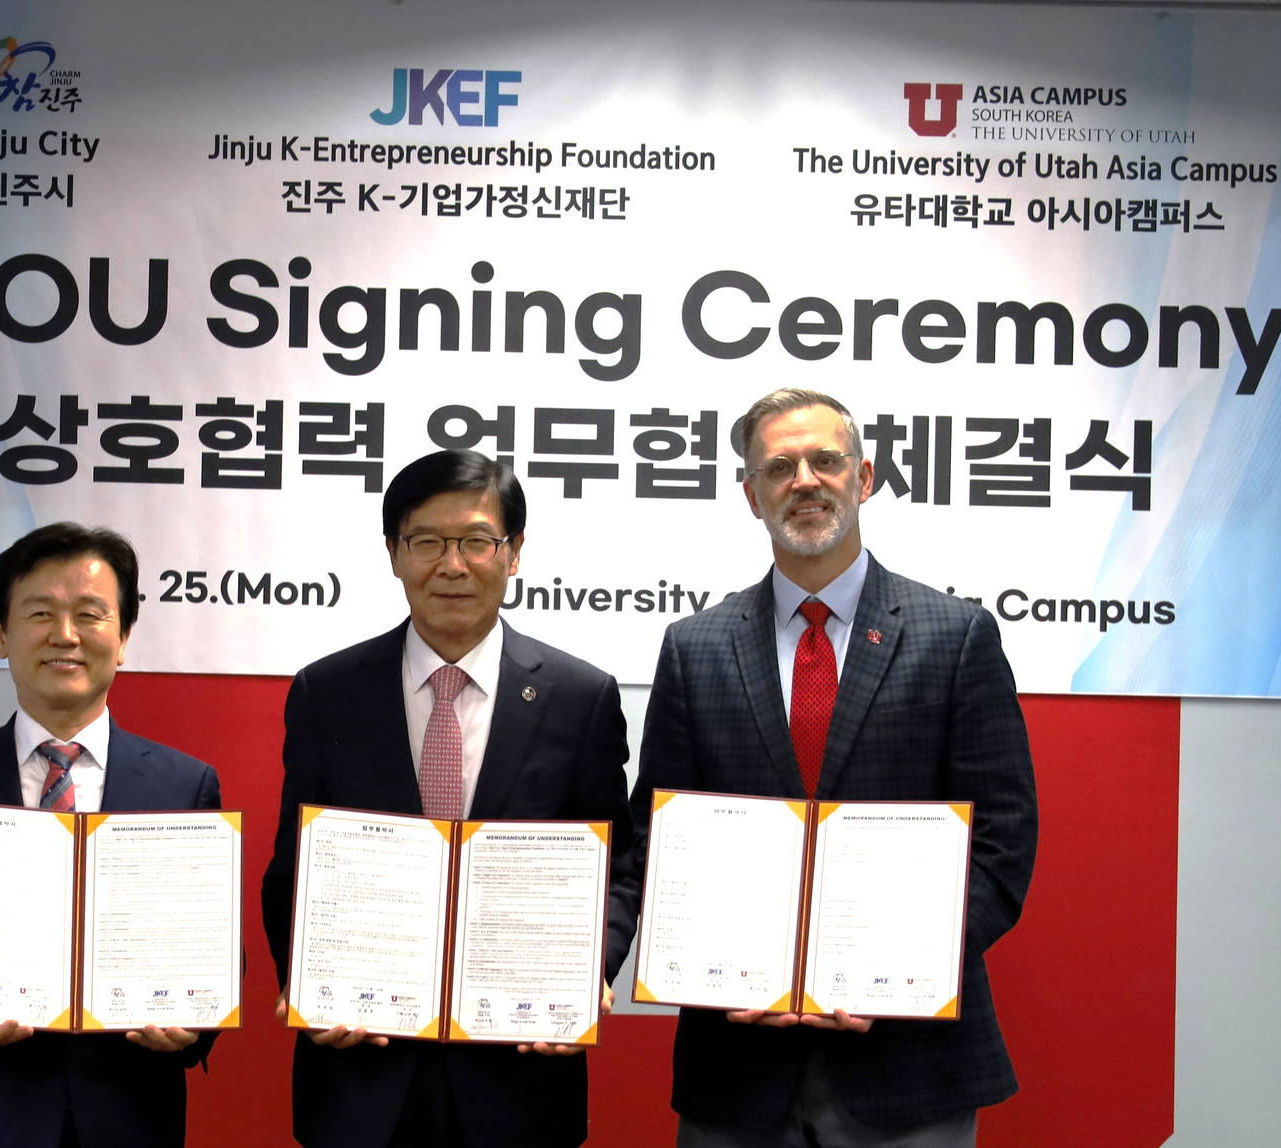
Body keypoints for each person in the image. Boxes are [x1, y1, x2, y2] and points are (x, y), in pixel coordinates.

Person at [631, 388, 1038, 1147]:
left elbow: (1003, 845)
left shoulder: (955, 638)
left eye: (825, 461)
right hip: (737, 1061)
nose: (805, 481)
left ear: (865, 477)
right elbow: (656, 840)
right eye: (779, 467)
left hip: (909, 1061)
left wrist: (888, 972)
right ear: (750, 495)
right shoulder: (695, 648)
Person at [262, 449, 640, 1148]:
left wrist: (588, 970)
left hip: (518, 1071)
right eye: (427, 543)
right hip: (361, 1069)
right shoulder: (326, 692)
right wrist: (309, 981)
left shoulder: (580, 697)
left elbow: (618, 864)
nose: (452, 566)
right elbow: (294, 867)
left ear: (514, 552)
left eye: (475, 542)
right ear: (394, 554)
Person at [0, 523, 221, 1148]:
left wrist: (195, 1023)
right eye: (40, 613)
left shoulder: (184, 784)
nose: (65, 636)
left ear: (126, 637)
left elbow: (213, 949)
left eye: (90, 614)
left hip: (131, 1115)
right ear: (0, 633)